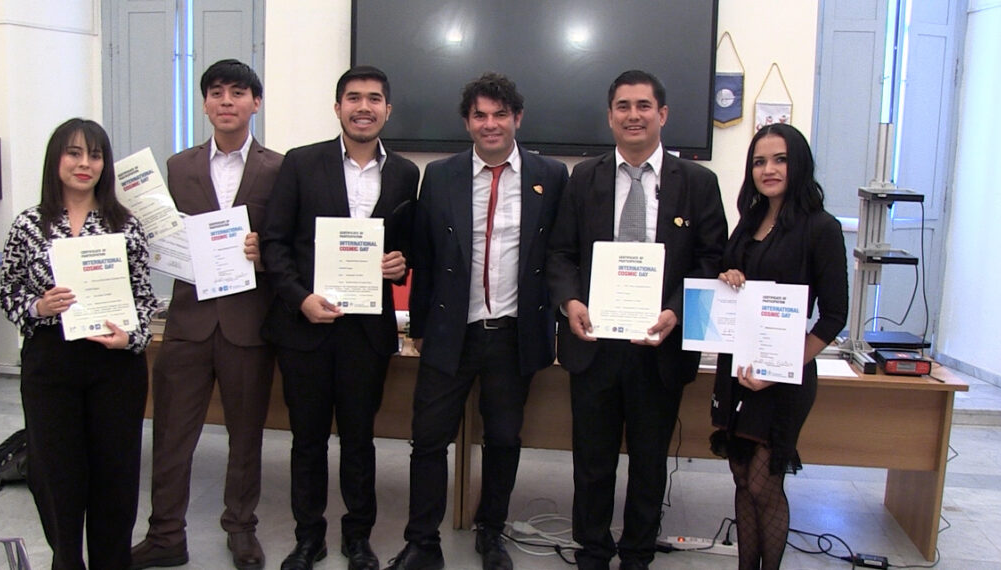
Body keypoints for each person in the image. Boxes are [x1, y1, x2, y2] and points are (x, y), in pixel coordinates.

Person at [385, 72, 569, 570]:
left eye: (500, 114)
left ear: (518, 119)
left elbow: (558, 254)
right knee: (427, 439)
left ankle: (492, 532)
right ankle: (423, 542)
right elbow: (424, 255)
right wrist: (417, 326)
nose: (491, 125)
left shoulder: (550, 176)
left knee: (505, 438)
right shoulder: (440, 175)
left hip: (513, 333)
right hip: (450, 331)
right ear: (467, 122)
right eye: (481, 115)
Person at [546, 70, 728, 570]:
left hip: (660, 347)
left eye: (643, 106)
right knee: (593, 461)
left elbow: (711, 260)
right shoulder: (583, 178)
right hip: (594, 344)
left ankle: (638, 555)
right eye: (623, 106)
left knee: (650, 463)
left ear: (662, 115)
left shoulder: (697, 183)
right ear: (610, 116)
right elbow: (560, 254)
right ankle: (592, 550)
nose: (633, 115)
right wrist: (570, 302)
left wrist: (675, 309)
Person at [260, 65, 419, 570]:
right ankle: (308, 538)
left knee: (359, 441)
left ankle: (357, 538)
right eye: (354, 98)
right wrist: (300, 298)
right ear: (337, 108)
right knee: (306, 440)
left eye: (375, 98)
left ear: (387, 110)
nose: (364, 107)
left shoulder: (404, 174)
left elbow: (407, 247)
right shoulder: (302, 164)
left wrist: (401, 264)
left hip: (366, 335)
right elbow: (274, 243)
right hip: (305, 327)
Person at [130, 59, 282, 570]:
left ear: (255, 103)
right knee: (172, 434)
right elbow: (160, 237)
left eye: (238, 93)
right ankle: (165, 534)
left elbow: (287, 245)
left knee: (246, 437)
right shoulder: (177, 167)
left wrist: (266, 253)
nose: (226, 102)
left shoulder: (280, 168)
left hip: (247, 324)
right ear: (204, 102)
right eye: (216, 92)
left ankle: (241, 529)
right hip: (188, 322)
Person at [0, 118, 156, 569]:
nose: (84, 164)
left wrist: (133, 336)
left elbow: (145, 299)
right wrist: (39, 307)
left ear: (105, 165)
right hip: (51, 363)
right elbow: (10, 292)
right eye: (74, 153)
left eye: (95, 155)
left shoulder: (126, 226)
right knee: (56, 475)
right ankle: (66, 559)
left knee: (115, 473)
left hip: (115, 364)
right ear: (56, 160)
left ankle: (111, 561)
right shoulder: (28, 225)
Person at [709, 123, 848, 570]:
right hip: (738, 372)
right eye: (759, 161)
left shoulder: (821, 228)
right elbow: (736, 288)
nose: (768, 169)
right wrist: (728, 277)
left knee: (764, 484)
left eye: (780, 159)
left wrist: (779, 367)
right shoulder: (749, 222)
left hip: (782, 380)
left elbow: (834, 316)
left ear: (799, 163)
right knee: (741, 478)